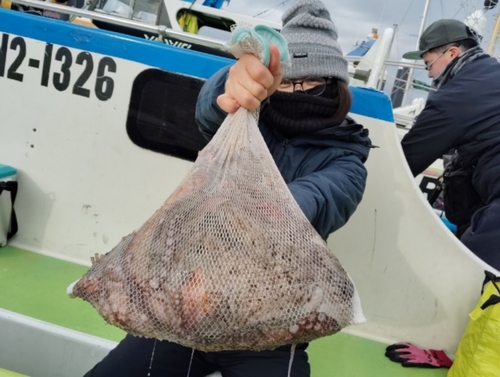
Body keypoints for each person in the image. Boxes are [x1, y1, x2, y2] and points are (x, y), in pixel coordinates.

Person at [83, 0, 371, 376]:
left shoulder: (346, 159)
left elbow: (312, 202)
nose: (297, 90)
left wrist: (241, 210)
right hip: (182, 310)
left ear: (335, 87)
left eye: (312, 82)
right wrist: (234, 82)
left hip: (270, 327)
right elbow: (209, 111)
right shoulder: (249, 118)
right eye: (286, 81)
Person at [400, 19, 500, 270]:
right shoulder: (493, 74)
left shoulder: (455, 97)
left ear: (452, 53)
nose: (430, 74)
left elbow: (404, 160)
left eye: (428, 64)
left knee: (474, 284)